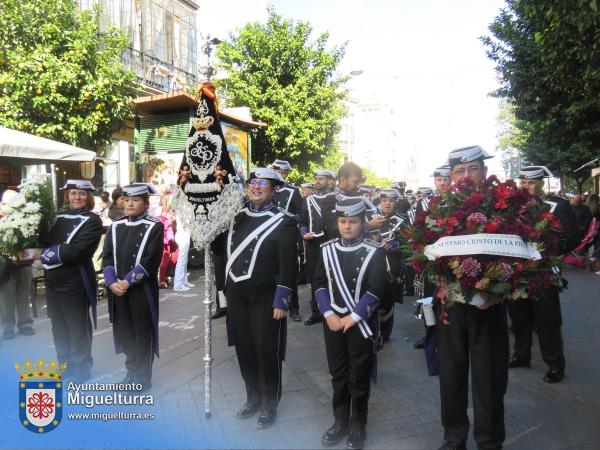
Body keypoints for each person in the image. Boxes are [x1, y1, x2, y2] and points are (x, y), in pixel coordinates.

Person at [435, 146, 509, 450]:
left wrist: (502, 287)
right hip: (451, 307)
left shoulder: (505, 208)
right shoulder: (438, 209)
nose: (466, 176)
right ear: (452, 177)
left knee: (489, 378)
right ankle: (454, 438)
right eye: (459, 171)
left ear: (484, 172)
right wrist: (438, 282)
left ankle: (489, 441)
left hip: (488, 306)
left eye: (473, 169)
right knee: (451, 375)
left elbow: (520, 254)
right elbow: (425, 255)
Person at [313, 197, 389, 450]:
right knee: (338, 374)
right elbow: (319, 284)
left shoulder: (374, 251)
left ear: (363, 222)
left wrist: (353, 317)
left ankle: (358, 424)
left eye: (353, 222)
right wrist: (328, 314)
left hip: (359, 323)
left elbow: (377, 288)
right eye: (343, 221)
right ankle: (339, 420)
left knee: (359, 375)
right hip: (333, 322)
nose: (347, 226)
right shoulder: (326, 250)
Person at [226, 168, 298, 429]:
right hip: (237, 295)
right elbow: (222, 252)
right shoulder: (236, 217)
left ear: (273, 189)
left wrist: (282, 299)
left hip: (266, 295)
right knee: (244, 347)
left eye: (262, 183)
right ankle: (253, 397)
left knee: (267, 349)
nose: (256, 187)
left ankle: (270, 402)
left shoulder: (285, 220)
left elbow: (289, 265)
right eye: (253, 182)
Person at [508, 166, 578, 383]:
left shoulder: (557, 205)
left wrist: (551, 251)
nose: (526, 187)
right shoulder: (514, 206)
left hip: (544, 271)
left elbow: (572, 236)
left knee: (547, 319)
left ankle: (555, 364)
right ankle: (521, 354)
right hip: (518, 270)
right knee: (519, 315)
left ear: (541, 183)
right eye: (523, 183)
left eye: (530, 183)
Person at [39, 180, 103, 382]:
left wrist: (39, 255)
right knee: (58, 326)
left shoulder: (93, 221)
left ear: (89, 197)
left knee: (77, 326)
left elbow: (76, 251)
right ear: (67, 196)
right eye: (73, 193)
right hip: (53, 280)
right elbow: (46, 241)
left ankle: (82, 367)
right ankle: (65, 365)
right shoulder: (58, 218)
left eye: (82, 194)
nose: (77, 197)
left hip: (75, 280)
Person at [102, 184, 163, 390]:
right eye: (127, 199)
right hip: (118, 290)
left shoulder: (155, 226)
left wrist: (127, 281)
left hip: (140, 290)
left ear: (145, 204)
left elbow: (151, 260)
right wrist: (111, 282)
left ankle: (142, 378)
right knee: (126, 332)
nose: (129, 203)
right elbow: (108, 256)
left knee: (142, 333)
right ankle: (131, 370)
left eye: (135, 200)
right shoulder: (116, 226)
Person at [300, 169, 335, 326]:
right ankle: (316, 311)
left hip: (332, 241)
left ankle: (333, 309)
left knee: (332, 276)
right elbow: (302, 221)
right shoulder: (307, 200)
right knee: (316, 277)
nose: (317, 181)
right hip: (314, 243)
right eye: (316, 178)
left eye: (321, 178)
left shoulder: (336, 198)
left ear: (329, 181)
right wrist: (304, 233)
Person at [372, 189, 407, 342]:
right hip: (372, 264)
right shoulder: (370, 217)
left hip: (392, 265)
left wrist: (394, 244)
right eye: (384, 200)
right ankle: (372, 329)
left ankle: (385, 333)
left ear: (395, 203)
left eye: (391, 201)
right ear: (380, 201)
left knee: (388, 299)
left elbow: (409, 242)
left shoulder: (402, 219)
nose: (387, 203)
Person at [271, 159, 303, 321]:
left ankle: (294, 308)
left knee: (290, 272)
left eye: (284, 173)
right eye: (278, 172)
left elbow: (301, 213)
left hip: (287, 237)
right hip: (269, 237)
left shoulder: (293, 191)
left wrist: (288, 218)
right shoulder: (268, 188)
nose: (281, 175)